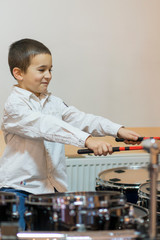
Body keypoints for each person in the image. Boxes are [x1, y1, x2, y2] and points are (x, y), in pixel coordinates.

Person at [0, 38, 140, 230]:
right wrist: (87, 141)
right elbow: (46, 126)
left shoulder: (54, 102)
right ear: (18, 73)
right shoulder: (14, 106)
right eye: (41, 70)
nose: (48, 75)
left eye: (50, 70)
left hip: (52, 189)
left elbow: (83, 119)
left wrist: (116, 129)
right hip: (19, 190)